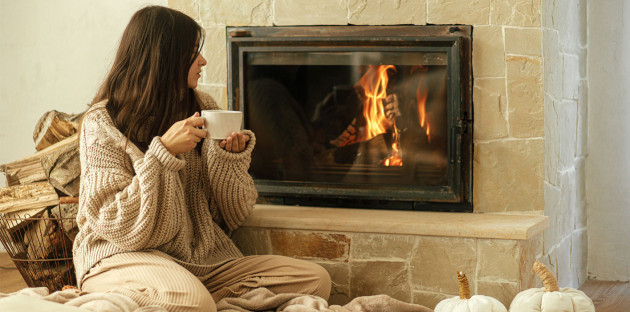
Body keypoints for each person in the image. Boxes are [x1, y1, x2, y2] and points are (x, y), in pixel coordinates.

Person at [72, 6, 330, 312]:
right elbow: (119, 226)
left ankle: (200, 300)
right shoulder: (101, 122)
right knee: (193, 302)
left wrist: (227, 160)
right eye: (194, 52)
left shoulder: (203, 105)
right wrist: (163, 154)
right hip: (121, 256)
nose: (203, 61)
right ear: (164, 58)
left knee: (315, 279)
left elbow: (233, 215)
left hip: (200, 261)